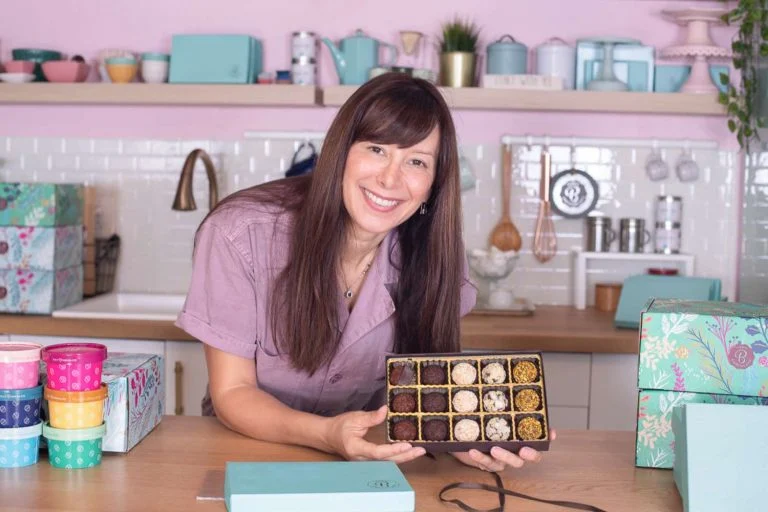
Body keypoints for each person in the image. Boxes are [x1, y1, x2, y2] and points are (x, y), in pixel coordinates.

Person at [175, 73, 554, 472]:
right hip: (247, 452)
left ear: (434, 184)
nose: (390, 179)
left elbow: (424, 394)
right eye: (376, 149)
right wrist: (327, 434)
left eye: (416, 162)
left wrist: (457, 436)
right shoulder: (239, 234)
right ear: (342, 152)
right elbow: (233, 392)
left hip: (370, 461)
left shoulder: (436, 256)